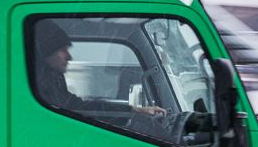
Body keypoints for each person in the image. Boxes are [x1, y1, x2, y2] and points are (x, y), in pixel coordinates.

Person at [34, 21, 167, 121]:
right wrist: (135, 111)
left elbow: (81, 107)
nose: (69, 57)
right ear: (46, 51)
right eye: (62, 50)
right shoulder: (41, 87)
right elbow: (81, 109)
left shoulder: (51, 81)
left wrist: (136, 110)